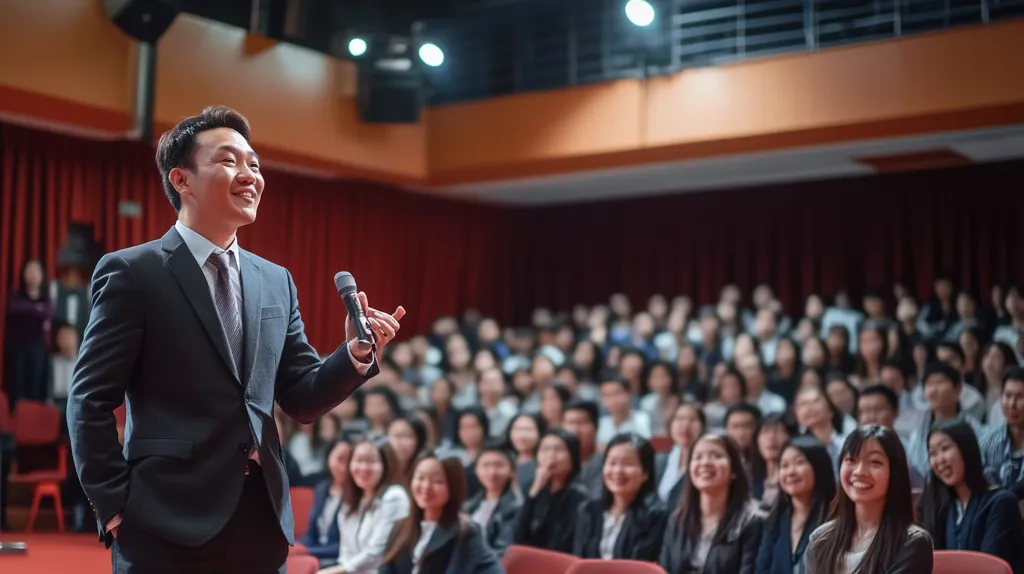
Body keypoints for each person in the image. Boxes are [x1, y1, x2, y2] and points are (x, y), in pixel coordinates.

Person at [66, 106, 406, 574]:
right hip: (163, 519)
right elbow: (89, 398)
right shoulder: (133, 272)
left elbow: (301, 397)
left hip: (259, 520)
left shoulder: (275, 280)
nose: (249, 175)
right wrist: (114, 507)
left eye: (254, 164)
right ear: (181, 179)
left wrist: (354, 354)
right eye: (229, 161)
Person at [803, 426, 933, 574]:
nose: (859, 471)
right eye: (851, 460)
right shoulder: (820, 539)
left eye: (874, 462)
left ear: (895, 473)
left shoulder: (911, 542)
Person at [918, 420, 1024, 572]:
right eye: (932, 453)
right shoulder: (939, 505)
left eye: (945, 448)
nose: (939, 459)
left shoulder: (1001, 503)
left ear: (966, 449)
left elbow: (988, 567)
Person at [378, 454, 504, 574]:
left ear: (453, 486)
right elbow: (386, 568)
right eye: (420, 478)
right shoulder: (401, 526)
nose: (426, 487)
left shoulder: (466, 531)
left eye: (437, 481)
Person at [658, 433, 765, 574]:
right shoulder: (677, 520)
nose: (705, 463)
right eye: (698, 457)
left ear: (734, 470)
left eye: (716, 456)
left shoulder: (752, 521)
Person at [573, 434, 667, 561]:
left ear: (645, 473)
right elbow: (579, 561)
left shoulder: (656, 516)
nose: (617, 471)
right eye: (612, 463)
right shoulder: (589, 510)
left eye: (627, 464)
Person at [755, 436, 836, 574]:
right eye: (784, 465)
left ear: (819, 466)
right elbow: (762, 569)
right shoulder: (775, 520)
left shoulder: (836, 519)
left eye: (799, 463)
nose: (790, 472)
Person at [301, 439, 354, 565]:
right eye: (340, 459)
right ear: (329, 458)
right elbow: (311, 533)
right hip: (316, 554)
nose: (344, 467)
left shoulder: (356, 495)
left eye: (349, 460)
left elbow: (344, 545)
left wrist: (308, 551)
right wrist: (296, 547)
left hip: (338, 559)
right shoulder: (322, 489)